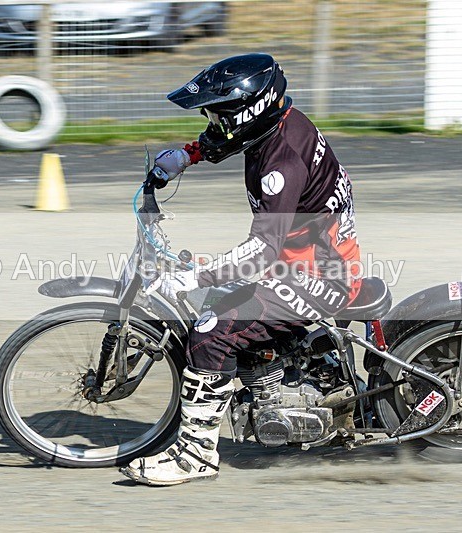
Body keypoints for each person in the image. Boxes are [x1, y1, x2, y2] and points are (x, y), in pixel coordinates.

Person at [120, 53, 362, 486]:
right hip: (305, 259)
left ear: (247, 112)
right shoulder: (278, 122)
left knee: (212, 330)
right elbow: (226, 138)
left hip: (316, 275)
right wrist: (187, 155)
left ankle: (194, 456)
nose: (212, 121)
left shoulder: (281, 162)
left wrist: (191, 276)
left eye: (218, 113)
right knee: (217, 294)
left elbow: (259, 254)